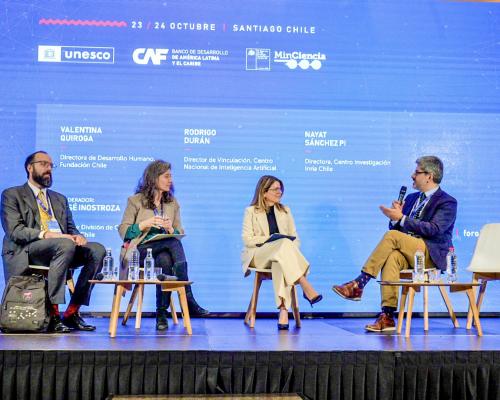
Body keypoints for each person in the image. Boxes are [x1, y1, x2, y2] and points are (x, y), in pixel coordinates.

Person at [332, 156, 457, 332]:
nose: (412, 175)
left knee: (392, 236)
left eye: (417, 172)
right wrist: (396, 218)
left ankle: (359, 283)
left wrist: (402, 218)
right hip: (410, 252)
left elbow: (434, 229)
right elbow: (399, 227)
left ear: (429, 175)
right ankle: (388, 316)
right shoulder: (413, 198)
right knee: (392, 257)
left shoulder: (447, 202)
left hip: (430, 253)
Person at [1, 151, 105, 333]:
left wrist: (78, 236)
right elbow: (15, 231)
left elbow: (71, 229)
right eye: (43, 164)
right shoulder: (12, 194)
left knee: (96, 249)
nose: (48, 169)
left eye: (50, 165)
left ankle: (72, 312)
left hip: (62, 250)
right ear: (29, 167)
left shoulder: (59, 199)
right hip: (28, 250)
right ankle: (54, 314)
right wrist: (47, 234)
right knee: (63, 243)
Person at [118, 160, 208, 330]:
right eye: (166, 176)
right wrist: (145, 224)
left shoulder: (172, 203)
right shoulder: (135, 200)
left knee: (165, 259)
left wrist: (170, 228)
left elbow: (179, 231)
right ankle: (188, 299)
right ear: (154, 178)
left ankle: (161, 314)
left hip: (163, 249)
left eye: (171, 176)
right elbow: (123, 231)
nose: (170, 180)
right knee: (172, 243)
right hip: (140, 251)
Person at [241, 175, 322, 330]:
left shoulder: (285, 210)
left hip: (281, 258)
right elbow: (247, 240)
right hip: (259, 255)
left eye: (281, 189)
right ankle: (304, 283)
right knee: (283, 243)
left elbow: (296, 239)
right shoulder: (251, 211)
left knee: (280, 261)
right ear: (263, 192)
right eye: (275, 189)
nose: (280, 192)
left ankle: (283, 310)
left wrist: (285, 246)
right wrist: (272, 240)